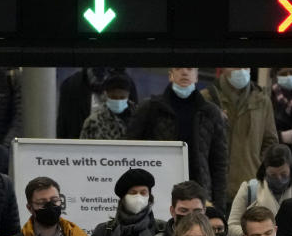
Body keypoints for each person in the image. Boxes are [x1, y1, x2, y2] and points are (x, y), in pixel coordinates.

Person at [127, 68, 228, 209]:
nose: (185, 72)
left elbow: (219, 164)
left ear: (196, 76)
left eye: (190, 69)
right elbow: (132, 151)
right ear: (170, 75)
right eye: (179, 68)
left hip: (200, 193)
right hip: (158, 190)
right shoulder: (150, 108)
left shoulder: (211, 112)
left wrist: (219, 207)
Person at [202, 67, 279, 201]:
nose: (241, 70)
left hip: (250, 188)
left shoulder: (262, 100)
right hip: (214, 188)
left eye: (245, 67)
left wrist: (259, 168)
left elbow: (270, 141)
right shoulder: (206, 98)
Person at [227, 143, 292, 236]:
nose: (279, 179)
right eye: (273, 175)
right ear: (265, 171)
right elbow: (232, 226)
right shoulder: (249, 189)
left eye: (283, 174)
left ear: (291, 170)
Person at [57, 67, 138, 140]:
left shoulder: (126, 83)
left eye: (121, 97)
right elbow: (63, 126)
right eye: (113, 97)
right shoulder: (72, 85)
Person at [79, 72, 137, 140]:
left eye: (122, 98)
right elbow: (83, 148)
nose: (118, 101)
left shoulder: (139, 117)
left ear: (128, 95)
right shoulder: (93, 122)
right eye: (113, 97)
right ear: (106, 95)